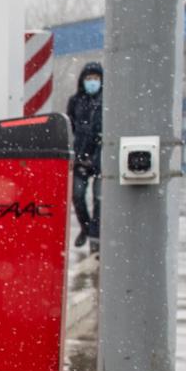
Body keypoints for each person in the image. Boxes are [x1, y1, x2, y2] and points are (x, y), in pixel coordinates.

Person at [66, 61, 104, 247]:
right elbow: (71, 128)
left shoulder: (107, 102)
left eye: (96, 78)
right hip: (80, 156)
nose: (92, 82)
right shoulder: (75, 101)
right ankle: (86, 228)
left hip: (101, 158)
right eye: (89, 78)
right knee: (77, 195)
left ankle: (95, 235)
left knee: (100, 198)